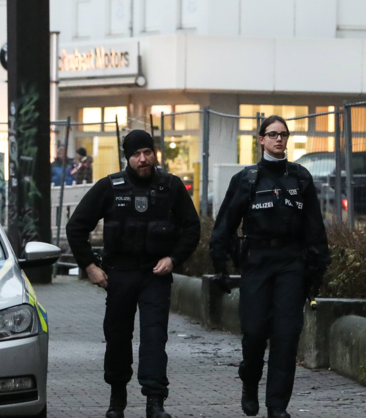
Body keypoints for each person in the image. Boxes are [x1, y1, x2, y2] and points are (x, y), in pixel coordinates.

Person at [66, 130, 201, 418]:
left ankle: (155, 402)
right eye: (137, 154)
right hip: (119, 274)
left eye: (148, 153)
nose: (143, 159)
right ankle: (117, 399)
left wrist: (173, 258)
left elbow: (192, 227)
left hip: (155, 273)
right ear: (127, 157)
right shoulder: (110, 187)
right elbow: (76, 227)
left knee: (154, 337)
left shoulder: (171, 186)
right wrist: (90, 266)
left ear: (154, 154)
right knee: (117, 337)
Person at [209, 115, 329, 418]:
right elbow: (225, 223)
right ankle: (249, 381)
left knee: (287, 336)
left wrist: (318, 264)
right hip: (257, 262)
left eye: (284, 135)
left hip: (290, 263)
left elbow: (315, 227)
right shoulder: (247, 179)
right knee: (254, 333)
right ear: (260, 139)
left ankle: (277, 406)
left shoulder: (300, 178)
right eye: (273, 134)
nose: (279, 140)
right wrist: (219, 262)